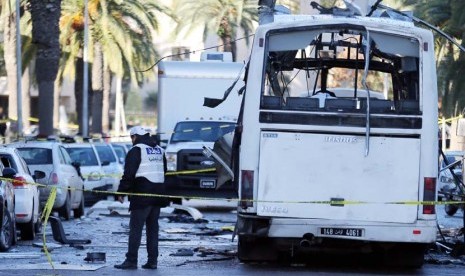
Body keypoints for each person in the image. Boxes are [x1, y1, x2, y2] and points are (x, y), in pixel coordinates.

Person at [114, 126, 168, 270]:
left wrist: (121, 192)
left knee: (136, 229)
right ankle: (152, 261)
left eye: (132, 138)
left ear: (135, 136)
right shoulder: (160, 150)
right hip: (158, 195)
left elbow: (129, 174)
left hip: (142, 195)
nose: (132, 141)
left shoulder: (136, 150)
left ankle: (131, 260)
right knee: (152, 229)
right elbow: (164, 171)